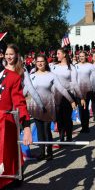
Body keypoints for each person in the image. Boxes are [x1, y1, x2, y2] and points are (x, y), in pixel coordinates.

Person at [25, 54, 76, 159]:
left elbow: (61, 89)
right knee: (39, 130)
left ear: (46, 63)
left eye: (42, 61)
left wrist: (71, 100)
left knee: (46, 129)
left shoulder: (51, 75)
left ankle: (49, 152)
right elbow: (25, 91)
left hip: (48, 106)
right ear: (35, 63)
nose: (40, 63)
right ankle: (41, 152)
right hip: (35, 107)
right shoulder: (31, 75)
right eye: (38, 61)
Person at [0, 44, 32, 189]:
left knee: (9, 152)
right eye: (7, 54)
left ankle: (14, 175)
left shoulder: (17, 75)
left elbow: (20, 102)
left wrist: (26, 127)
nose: (8, 57)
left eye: (11, 54)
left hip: (8, 121)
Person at [51, 48, 85, 141]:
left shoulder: (71, 68)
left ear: (64, 55)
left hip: (68, 96)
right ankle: (62, 138)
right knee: (59, 118)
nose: (56, 55)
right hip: (56, 96)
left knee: (67, 117)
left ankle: (69, 137)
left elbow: (74, 83)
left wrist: (80, 97)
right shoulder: (54, 66)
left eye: (58, 53)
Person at [75, 51, 95, 132]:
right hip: (78, 91)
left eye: (83, 56)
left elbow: (94, 77)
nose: (81, 57)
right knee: (80, 109)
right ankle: (83, 126)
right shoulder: (76, 66)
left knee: (85, 108)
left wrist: (94, 88)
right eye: (80, 56)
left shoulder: (90, 66)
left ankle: (86, 126)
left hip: (88, 91)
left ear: (86, 56)